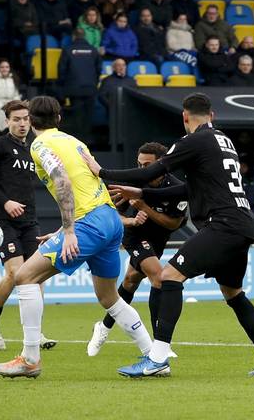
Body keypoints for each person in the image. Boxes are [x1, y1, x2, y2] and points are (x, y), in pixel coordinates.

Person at [83, 92, 254, 377]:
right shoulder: (223, 141)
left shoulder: (193, 141)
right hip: (243, 222)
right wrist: (142, 193)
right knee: (233, 292)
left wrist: (101, 171)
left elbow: (152, 170)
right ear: (212, 115)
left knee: (168, 277)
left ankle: (157, 358)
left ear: (184, 117)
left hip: (223, 224)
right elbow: (188, 190)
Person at [0, 96, 153, 378]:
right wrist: (68, 226)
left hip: (89, 222)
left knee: (25, 277)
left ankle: (30, 359)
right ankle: (154, 356)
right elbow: (89, 181)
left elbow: (63, 182)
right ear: (59, 119)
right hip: (109, 219)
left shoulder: (40, 145)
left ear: (30, 120)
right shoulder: (74, 141)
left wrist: (69, 231)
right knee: (108, 297)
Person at [87, 142, 187, 356]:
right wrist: (131, 220)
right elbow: (112, 214)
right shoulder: (131, 183)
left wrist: (144, 208)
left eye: (147, 165)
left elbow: (173, 224)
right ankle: (160, 344)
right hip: (135, 236)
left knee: (130, 281)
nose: (142, 170)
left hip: (158, 240)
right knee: (159, 278)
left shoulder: (176, 188)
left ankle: (103, 326)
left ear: (161, 164)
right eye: (139, 165)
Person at [0, 100, 57, 352]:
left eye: (26, 119)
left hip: (29, 220)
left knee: (38, 276)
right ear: (7, 121)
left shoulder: (35, 149)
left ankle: (36, 332)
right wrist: (6, 202)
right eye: (17, 119)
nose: (22, 123)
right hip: (2, 220)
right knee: (15, 274)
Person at [58, 28, 102, 145]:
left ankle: (77, 142)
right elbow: (99, 70)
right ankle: (88, 140)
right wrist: (94, 83)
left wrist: (63, 86)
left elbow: (61, 70)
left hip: (74, 89)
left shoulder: (68, 50)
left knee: (77, 116)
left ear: (74, 36)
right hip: (90, 88)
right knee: (88, 116)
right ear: (85, 36)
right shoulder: (93, 50)